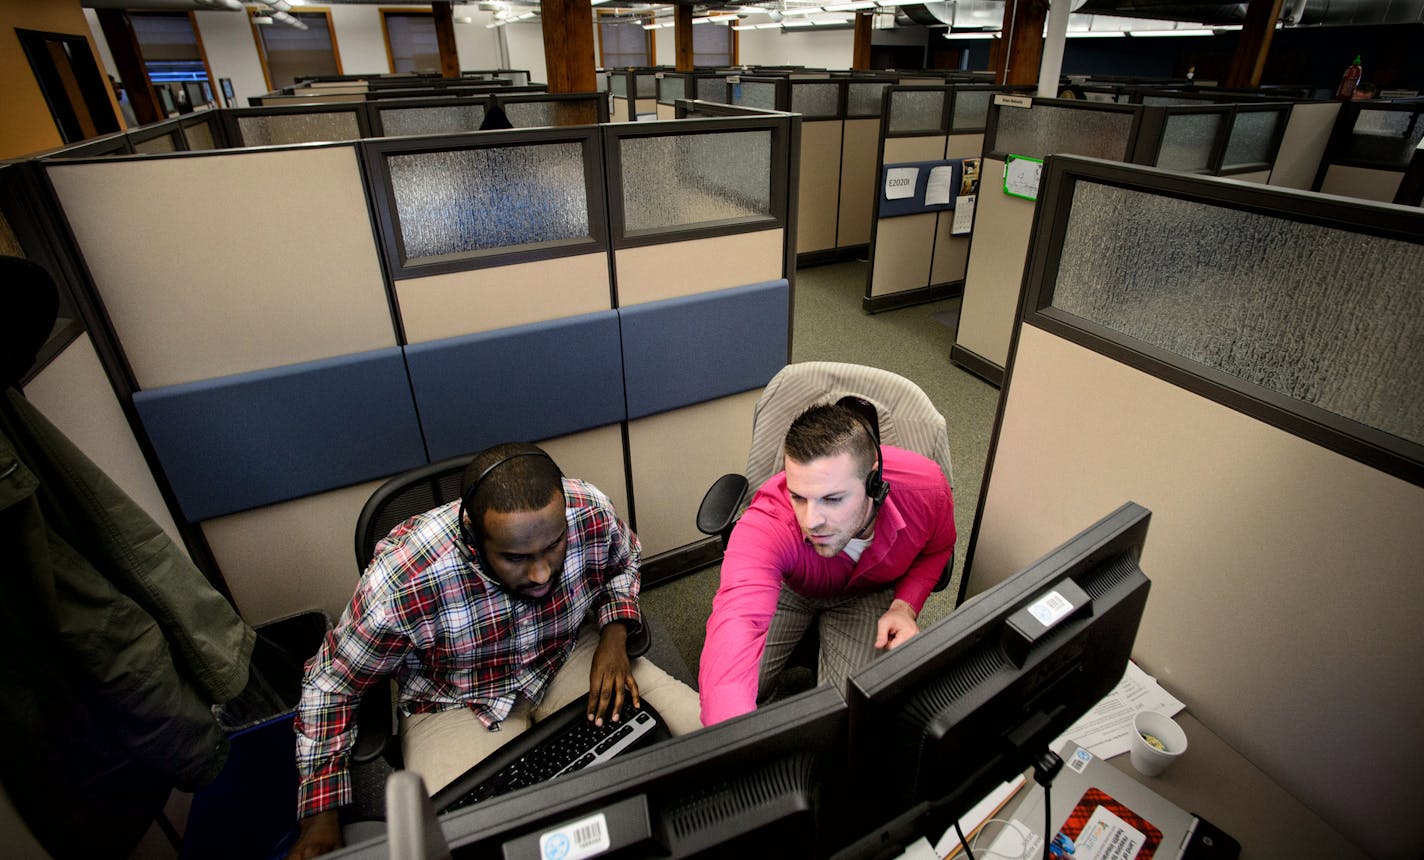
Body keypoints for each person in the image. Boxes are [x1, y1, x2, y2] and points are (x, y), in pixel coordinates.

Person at [287, 442, 701, 859]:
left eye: (553, 547)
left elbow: (623, 561)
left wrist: (613, 634)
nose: (541, 574)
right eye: (515, 557)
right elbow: (330, 686)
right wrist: (319, 818)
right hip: (454, 700)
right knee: (470, 845)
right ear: (472, 534)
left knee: (708, 738)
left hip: (567, 652)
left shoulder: (587, 508)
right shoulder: (404, 579)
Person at [698, 400, 956, 726]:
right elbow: (737, 620)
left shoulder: (927, 490)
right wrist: (728, 742)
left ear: (873, 483)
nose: (812, 520)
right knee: (739, 686)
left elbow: (938, 549)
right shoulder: (768, 521)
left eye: (833, 499)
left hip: (867, 593)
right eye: (798, 496)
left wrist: (905, 605)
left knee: (851, 717)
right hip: (792, 588)